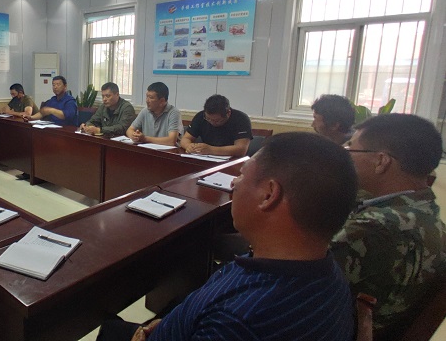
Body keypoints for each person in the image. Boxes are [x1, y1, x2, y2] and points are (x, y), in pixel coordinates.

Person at [98, 132, 357, 341]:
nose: (233, 183)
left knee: (110, 329)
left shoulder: (236, 320)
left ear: (268, 195)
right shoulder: (330, 275)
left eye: (241, 175)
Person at [331, 113, 446, 339]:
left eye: (351, 149)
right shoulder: (427, 215)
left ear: (381, 161)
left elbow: (295, 286)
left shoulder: (374, 228)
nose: (346, 156)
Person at [180, 94, 252, 157]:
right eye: (208, 119)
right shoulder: (200, 116)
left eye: (217, 120)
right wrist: (188, 146)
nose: (212, 122)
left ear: (228, 113)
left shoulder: (241, 119)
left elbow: (241, 149)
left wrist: (211, 150)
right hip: (206, 158)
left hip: (233, 161)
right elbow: (185, 139)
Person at [126, 82, 181, 146]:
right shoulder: (145, 111)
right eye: (147, 96)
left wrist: (145, 138)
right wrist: (134, 136)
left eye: (151, 97)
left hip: (166, 151)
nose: (147, 100)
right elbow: (129, 130)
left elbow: (171, 141)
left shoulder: (173, 113)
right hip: (147, 149)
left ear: (162, 101)